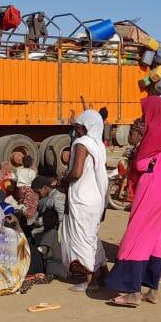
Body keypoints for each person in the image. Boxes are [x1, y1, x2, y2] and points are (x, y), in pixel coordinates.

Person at [106, 96, 161, 306]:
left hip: (151, 192)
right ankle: (152, 291)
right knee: (154, 242)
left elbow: (141, 165)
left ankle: (133, 293)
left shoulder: (153, 133)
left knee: (135, 240)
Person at [61, 110, 110, 292]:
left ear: (86, 127)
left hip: (82, 199)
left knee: (83, 239)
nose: (76, 130)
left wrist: (62, 180)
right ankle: (104, 272)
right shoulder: (99, 145)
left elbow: (76, 172)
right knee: (91, 238)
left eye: (78, 127)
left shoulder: (81, 144)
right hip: (96, 198)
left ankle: (90, 280)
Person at [37, 209, 67, 278]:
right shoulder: (60, 234)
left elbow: (42, 250)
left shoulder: (51, 232)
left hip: (54, 268)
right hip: (63, 269)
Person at [13, 154, 39, 221]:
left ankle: (21, 211)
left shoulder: (18, 171)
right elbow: (33, 180)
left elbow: (15, 179)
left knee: (22, 200)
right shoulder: (32, 172)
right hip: (28, 188)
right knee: (33, 200)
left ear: (22, 163)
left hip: (20, 189)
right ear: (31, 164)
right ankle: (28, 215)